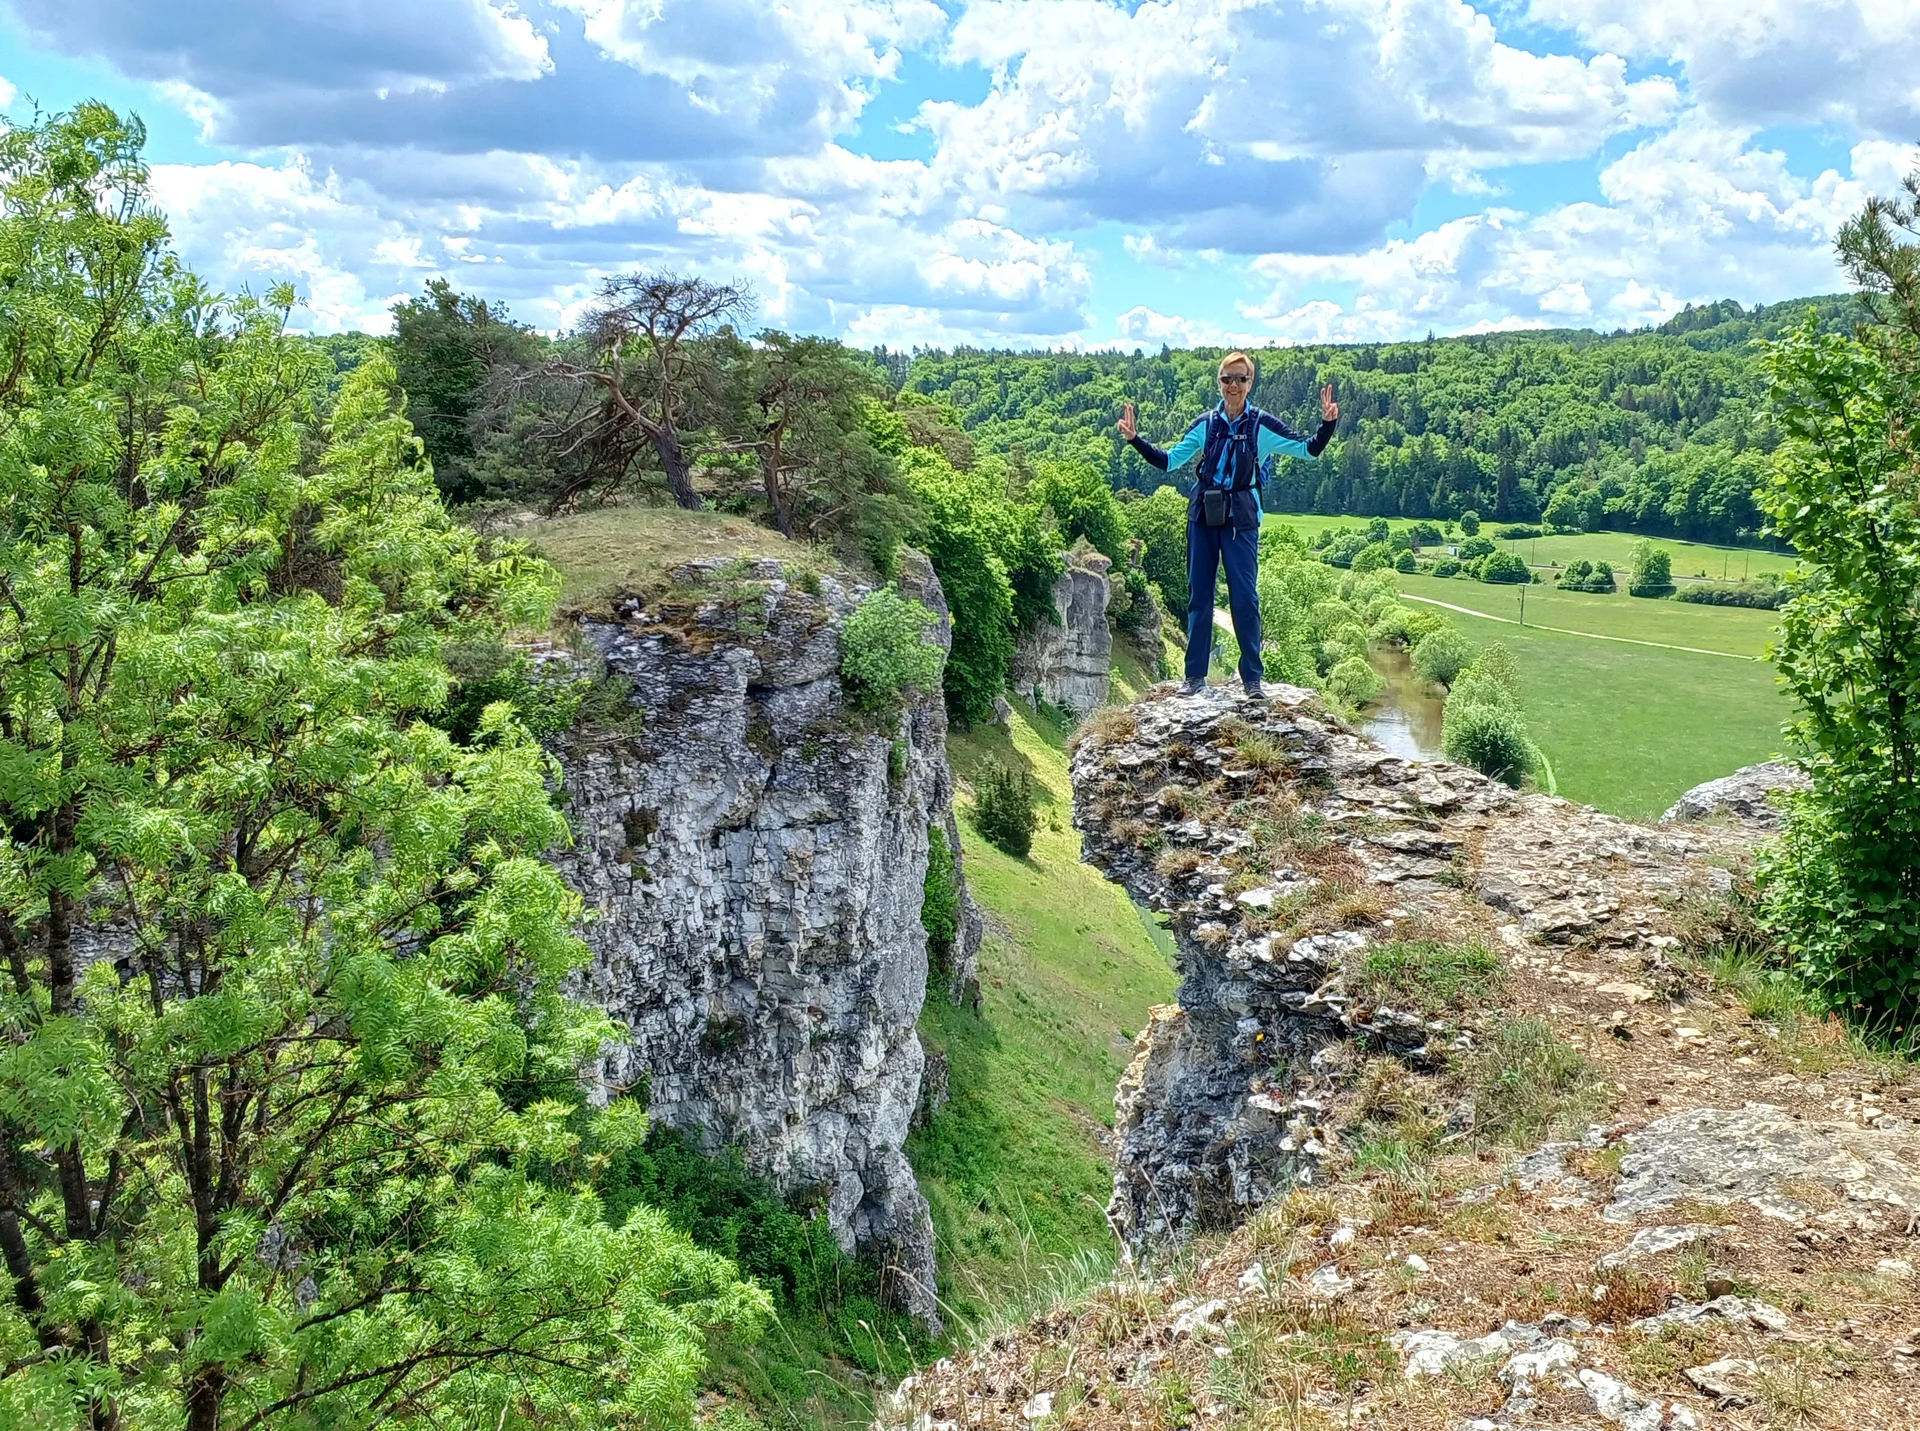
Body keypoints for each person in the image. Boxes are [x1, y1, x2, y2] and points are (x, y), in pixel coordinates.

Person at [1118, 353, 1338, 697]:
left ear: (1250, 383)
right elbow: (1169, 461)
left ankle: (1252, 678)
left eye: (1240, 379)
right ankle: (1194, 677)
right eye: (1227, 379)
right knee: (1200, 596)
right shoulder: (1207, 424)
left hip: (1242, 519)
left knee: (1245, 597)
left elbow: (1308, 450)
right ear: (1218, 383)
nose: (1233, 386)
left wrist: (1328, 424)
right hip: (1204, 515)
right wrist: (1135, 440)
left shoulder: (1261, 425)